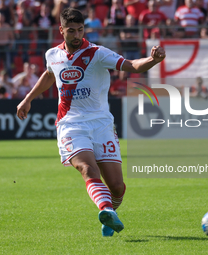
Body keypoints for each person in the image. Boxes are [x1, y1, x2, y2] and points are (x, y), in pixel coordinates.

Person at [16, 7, 166, 237]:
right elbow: (49, 75)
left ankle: (110, 214)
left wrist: (153, 60)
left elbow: (133, 65)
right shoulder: (52, 55)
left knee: (116, 187)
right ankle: (105, 209)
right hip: (71, 124)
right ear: (61, 30)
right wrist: (28, 98)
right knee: (88, 168)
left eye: (80, 30)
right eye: (71, 31)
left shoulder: (98, 53)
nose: (77, 35)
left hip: (102, 125)